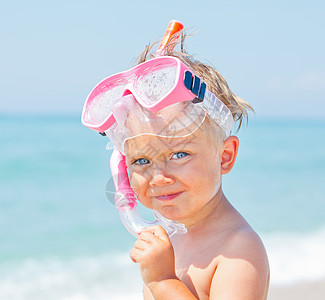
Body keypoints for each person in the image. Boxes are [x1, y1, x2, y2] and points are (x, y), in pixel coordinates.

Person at [81, 21, 270, 300]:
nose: (158, 177)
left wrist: (162, 280)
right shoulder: (169, 237)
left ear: (225, 156)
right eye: (141, 160)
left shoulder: (238, 249)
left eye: (179, 154)